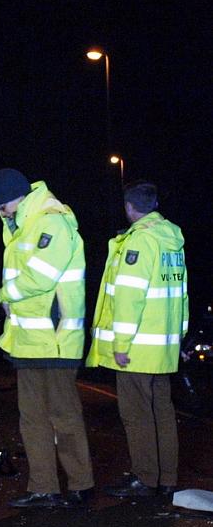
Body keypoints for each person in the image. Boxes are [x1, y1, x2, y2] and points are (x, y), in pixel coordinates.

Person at [0, 168, 94, 508]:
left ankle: (80, 485)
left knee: (64, 417)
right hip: (28, 342)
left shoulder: (52, 221)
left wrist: (4, 294)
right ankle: (44, 488)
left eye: (1, 207)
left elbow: (41, 278)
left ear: (13, 199)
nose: (1, 214)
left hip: (55, 342)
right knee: (32, 419)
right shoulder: (25, 226)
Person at [86, 181, 187, 498]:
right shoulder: (171, 242)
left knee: (137, 414)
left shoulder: (139, 242)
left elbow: (130, 298)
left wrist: (120, 345)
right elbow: (181, 295)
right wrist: (179, 338)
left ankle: (145, 479)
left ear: (130, 208)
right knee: (163, 413)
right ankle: (166, 478)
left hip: (137, 350)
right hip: (162, 349)